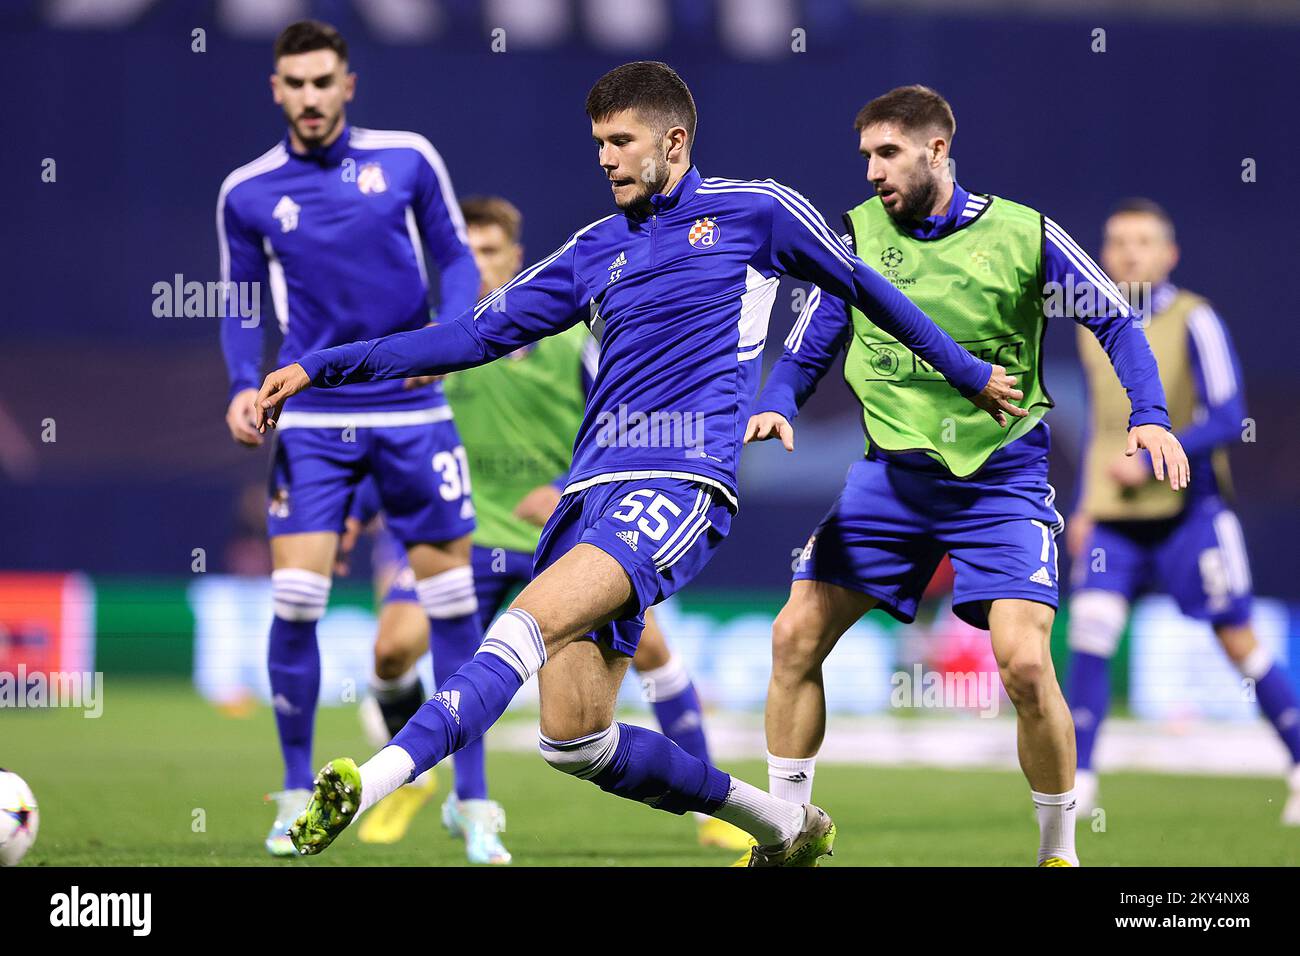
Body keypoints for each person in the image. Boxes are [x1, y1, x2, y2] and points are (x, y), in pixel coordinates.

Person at [255, 62, 1023, 867]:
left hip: (680, 480)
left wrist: (966, 372)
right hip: (586, 495)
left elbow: (863, 286)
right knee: (573, 741)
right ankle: (784, 825)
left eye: (621, 141)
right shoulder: (592, 250)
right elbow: (473, 336)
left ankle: (367, 782)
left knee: (522, 624)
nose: (606, 159)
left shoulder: (753, 210)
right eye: (598, 143)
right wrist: (322, 365)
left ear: (674, 140)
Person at [745, 86, 1188, 867]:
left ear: (937, 150)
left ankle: (1058, 852)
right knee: (792, 638)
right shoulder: (853, 235)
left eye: (888, 153)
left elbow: (1116, 318)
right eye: (866, 157)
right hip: (890, 483)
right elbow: (811, 340)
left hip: (1000, 484)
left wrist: (1148, 412)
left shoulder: (1023, 234)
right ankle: (788, 833)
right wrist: (779, 399)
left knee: (1022, 663)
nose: (874, 171)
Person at [350, 195, 751, 855]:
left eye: (489, 252)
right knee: (394, 651)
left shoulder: (573, 339)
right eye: (466, 252)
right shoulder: (443, 342)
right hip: (465, 537)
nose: (477, 266)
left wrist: (568, 489)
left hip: (557, 537)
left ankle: (715, 808)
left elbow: (632, 419)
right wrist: (361, 513)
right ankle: (431, 785)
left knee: (650, 651)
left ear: (515, 257)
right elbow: (398, 439)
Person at [216, 20, 481, 855]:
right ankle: (294, 791)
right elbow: (238, 301)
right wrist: (237, 387)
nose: (309, 97)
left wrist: (449, 339)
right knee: (296, 600)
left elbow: (457, 258)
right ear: (275, 91)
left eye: (322, 81)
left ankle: (472, 804)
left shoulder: (407, 159)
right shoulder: (247, 192)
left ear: (348, 85)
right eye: (294, 83)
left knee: (453, 603)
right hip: (316, 416)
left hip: (411, 408)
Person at [1065, 198, 1300, 824]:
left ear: (1169, 255)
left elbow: (1229, 417)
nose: (1129, 253)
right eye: (1117, 243)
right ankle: (1078, 783)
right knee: (1090, 636)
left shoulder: (1197, 320)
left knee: (1239, 641)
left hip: (1189, 512)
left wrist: (1148, 461)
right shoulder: (1092, 323)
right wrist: (1085, 505)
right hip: (1113, 517)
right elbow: (1098, 424)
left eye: (1143, 242)